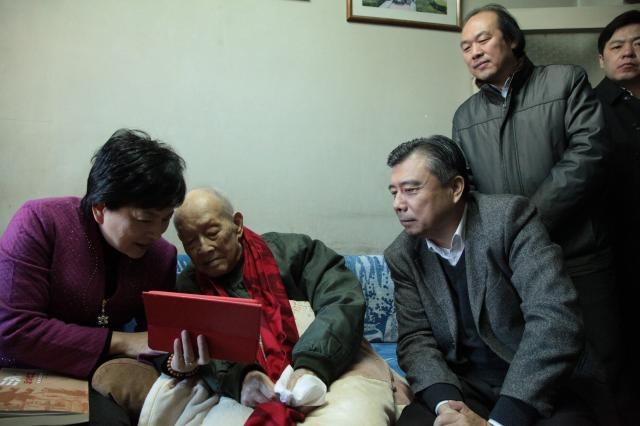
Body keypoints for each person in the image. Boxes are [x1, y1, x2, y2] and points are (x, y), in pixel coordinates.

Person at [451, 4, 619, 386]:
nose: (474, 52)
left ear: (512, 39)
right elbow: (469, 187)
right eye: (465, 47)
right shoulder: (465, 116)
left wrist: (529, 220)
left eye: (483, 39)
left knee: (603, 367)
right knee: (541, 369)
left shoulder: (564, 80)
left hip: (579, 254)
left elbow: (590, 151)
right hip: (516, 264)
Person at [384, 136, 600, 426]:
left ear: (455, 188)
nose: (398, 204)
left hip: (536, 382)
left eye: (411, 190)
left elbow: (555, 318)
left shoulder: (509, 219)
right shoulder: (402, 254)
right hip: (463, 387)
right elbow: (415, 339)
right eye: (394, 192)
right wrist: (446, 406)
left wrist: (499, 422)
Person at [138, 188, 399, 426]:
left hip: (331, 363)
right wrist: (242, 378)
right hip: (241, 388)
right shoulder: (187, 287)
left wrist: (311, 364)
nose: (203, 248)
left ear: (237, 224)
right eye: (190, 241)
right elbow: (184, 349)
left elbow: (342, 300)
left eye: (212, 232)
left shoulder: (295, 252)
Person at [0, 128, 186, 423]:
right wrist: (123, 341)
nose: (156, 232)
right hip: (18, 368)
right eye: (144, 219)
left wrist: (179, 362)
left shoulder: (162, 257)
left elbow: (156, 341)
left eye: (166, 219)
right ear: (100, 208)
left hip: (92, 374)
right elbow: (13, 330)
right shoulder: (39, 222)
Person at [594, 10, 640, 423]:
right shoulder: (588, 109)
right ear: (602, 59)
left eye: (638, 44)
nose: (629, 52)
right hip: (612, 250)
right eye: (617, 45)